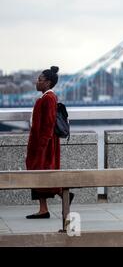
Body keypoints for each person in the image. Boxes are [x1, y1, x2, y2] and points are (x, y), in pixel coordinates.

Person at [25, 66, 73, 219]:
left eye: (40, 80)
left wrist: (41, 148)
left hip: (43, 146)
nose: (36, 82)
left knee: (41, 175)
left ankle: (60, 195)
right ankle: (44, 208)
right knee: (40, 175)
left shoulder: (49, 98)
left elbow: (48, 124)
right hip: (41, 144)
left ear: (48, 82)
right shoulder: (46, 97)